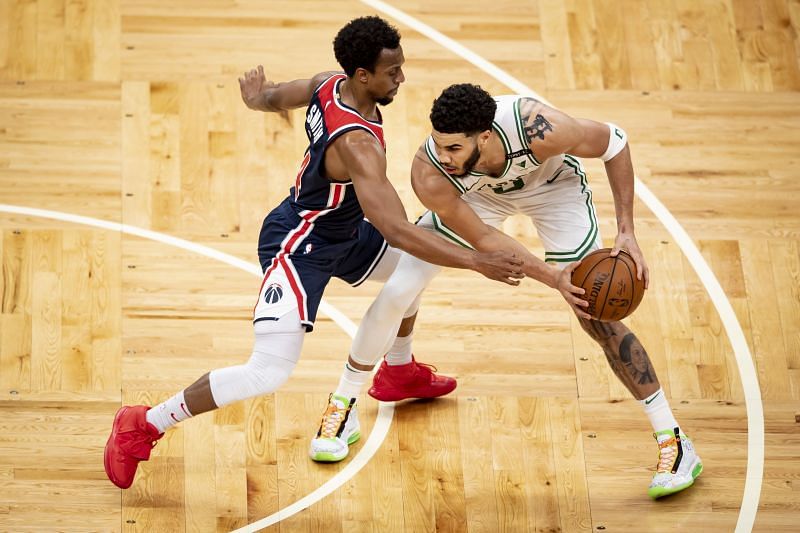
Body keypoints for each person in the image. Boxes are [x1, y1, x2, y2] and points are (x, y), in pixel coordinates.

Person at [103, 18, 524, 490]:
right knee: (268, 371)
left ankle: (399, 369)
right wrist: (475, 261)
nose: (401, 78)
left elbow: (277, 95)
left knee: (412, 274)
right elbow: (396, 229)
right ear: (363, 75)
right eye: (393, 72)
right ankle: (145, 422)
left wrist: (256, 97)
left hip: (341, 231)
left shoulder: (330, 83)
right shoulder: (360, 146)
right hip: (299, 244)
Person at [315, 83, 703, 500]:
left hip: (552, 189)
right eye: (439, 145)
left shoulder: (541, 128)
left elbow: (615, 141)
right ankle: (346, 405)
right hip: (479, 199)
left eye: (454, 149)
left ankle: (675, 443)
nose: (443, 156)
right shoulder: (431, 171)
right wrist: (548, 275)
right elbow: (482, 237)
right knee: (400, 286)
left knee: (595, 310)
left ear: (484, 136)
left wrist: (626, 228)